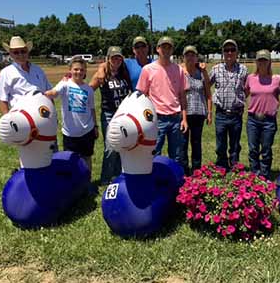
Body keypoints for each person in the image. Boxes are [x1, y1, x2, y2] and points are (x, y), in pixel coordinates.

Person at [136, 36, 188, 163]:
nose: (166, 50)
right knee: (154, 152)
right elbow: (141, 95)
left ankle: (175, 180)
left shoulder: (178, 70)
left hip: (176, 118)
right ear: (157, 49)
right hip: (156, 118)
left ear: (172, 50)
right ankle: (153, 180)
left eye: (169, 47)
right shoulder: (148, 69)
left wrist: (184, 119)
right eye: (163, 47)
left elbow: (182, 95)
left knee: (176, 154)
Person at [45, 57, 98, 171]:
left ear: (85, 71)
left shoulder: (88, 89)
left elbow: (92, 109)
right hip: (70, 133)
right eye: (76, 69)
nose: (78, 72)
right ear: (70, 70)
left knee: (86, 158)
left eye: (81, 70)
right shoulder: (65, 85)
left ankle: (87, 183)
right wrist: (41, 94)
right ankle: (74, 185)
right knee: (70, 159)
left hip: (87, 131)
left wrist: (95, 126)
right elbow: (54, 93)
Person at [89, 46, 133, 185]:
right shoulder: (102, 74)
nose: (116, 59)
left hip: (124, 115)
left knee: (122, 145)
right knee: (110, 147)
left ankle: (118, 175)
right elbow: (89, 90)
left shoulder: (124, 72)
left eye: (118, 57)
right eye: (113, 57)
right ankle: (105, 179)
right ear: (108, 58)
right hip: (109, 114)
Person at [210, 39, 248, 170]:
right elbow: (205, 85)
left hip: (236, 114)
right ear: (222, 53)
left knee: (235, 144)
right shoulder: (216, 69)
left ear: (237, 52)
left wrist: (241, 101)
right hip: (221, 113)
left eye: (232, 50)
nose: (229, 52)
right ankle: (221, 166)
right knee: (220, 144)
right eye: (226, 50)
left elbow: (247, 89)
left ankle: (234, 166)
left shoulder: (243, 69)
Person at [245, 49, 280, 179]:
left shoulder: (276, 79)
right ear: (256, 62)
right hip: (253, 119)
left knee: (266, 150)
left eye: (264, 60)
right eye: (260, 60)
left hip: (269, 120)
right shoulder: (250, 78)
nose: (262, 63)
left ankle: (265, 176)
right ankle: (255, 175)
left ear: (269, 62)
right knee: (253, 149)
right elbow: (244, 93)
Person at [0, 36, 52, 114]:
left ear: (28, 52)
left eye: (23, 51)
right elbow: (2, 99)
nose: (20, 55)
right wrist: (8, 120)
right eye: (16, 52)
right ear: (11, 54)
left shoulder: (38, 69)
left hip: (43, 114)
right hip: (21, 116)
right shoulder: (6, 73)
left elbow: (48, 92)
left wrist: (53, 113)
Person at [179, 45, 212, 175]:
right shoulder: (180, 72)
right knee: (183, 144)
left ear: (196, 57)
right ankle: (184, 171)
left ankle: (196, 171)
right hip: (184, 114)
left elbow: (208, 93)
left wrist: (209, 112)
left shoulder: (201, 73)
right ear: (183, 57)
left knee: (196, 143)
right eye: (187, 55)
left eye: (193, 55)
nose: (190, 57)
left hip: (199, 113)